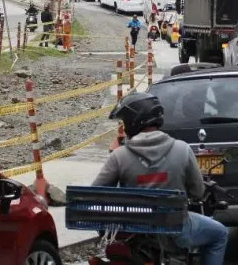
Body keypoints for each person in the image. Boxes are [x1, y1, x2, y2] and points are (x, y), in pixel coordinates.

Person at [92, 92, 229, 265]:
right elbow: (198, 192)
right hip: (176, 230)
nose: (124, 127)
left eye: (124, 122)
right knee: (220, 234)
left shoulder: (119, 157)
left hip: (134, 233)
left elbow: (95, 193)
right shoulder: (182, 149)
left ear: (135, 121)